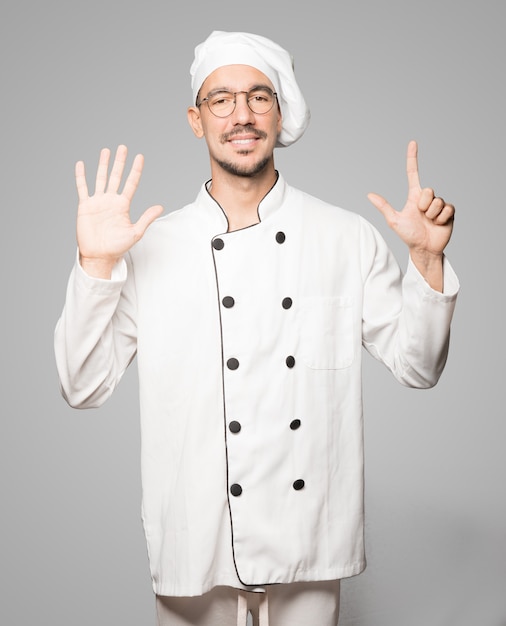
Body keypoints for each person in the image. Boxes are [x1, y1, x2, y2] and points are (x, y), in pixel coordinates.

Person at [54, 30, 459, 626]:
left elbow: (420, 366)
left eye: (258, 97)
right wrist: (95, 264)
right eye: (221, 100)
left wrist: (425, 263)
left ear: (279, 111)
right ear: (196, 119)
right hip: (195, 546)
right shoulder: (151, 247)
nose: (241, 115)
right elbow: (81, 386)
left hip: (308, 550)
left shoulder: (343, 238)